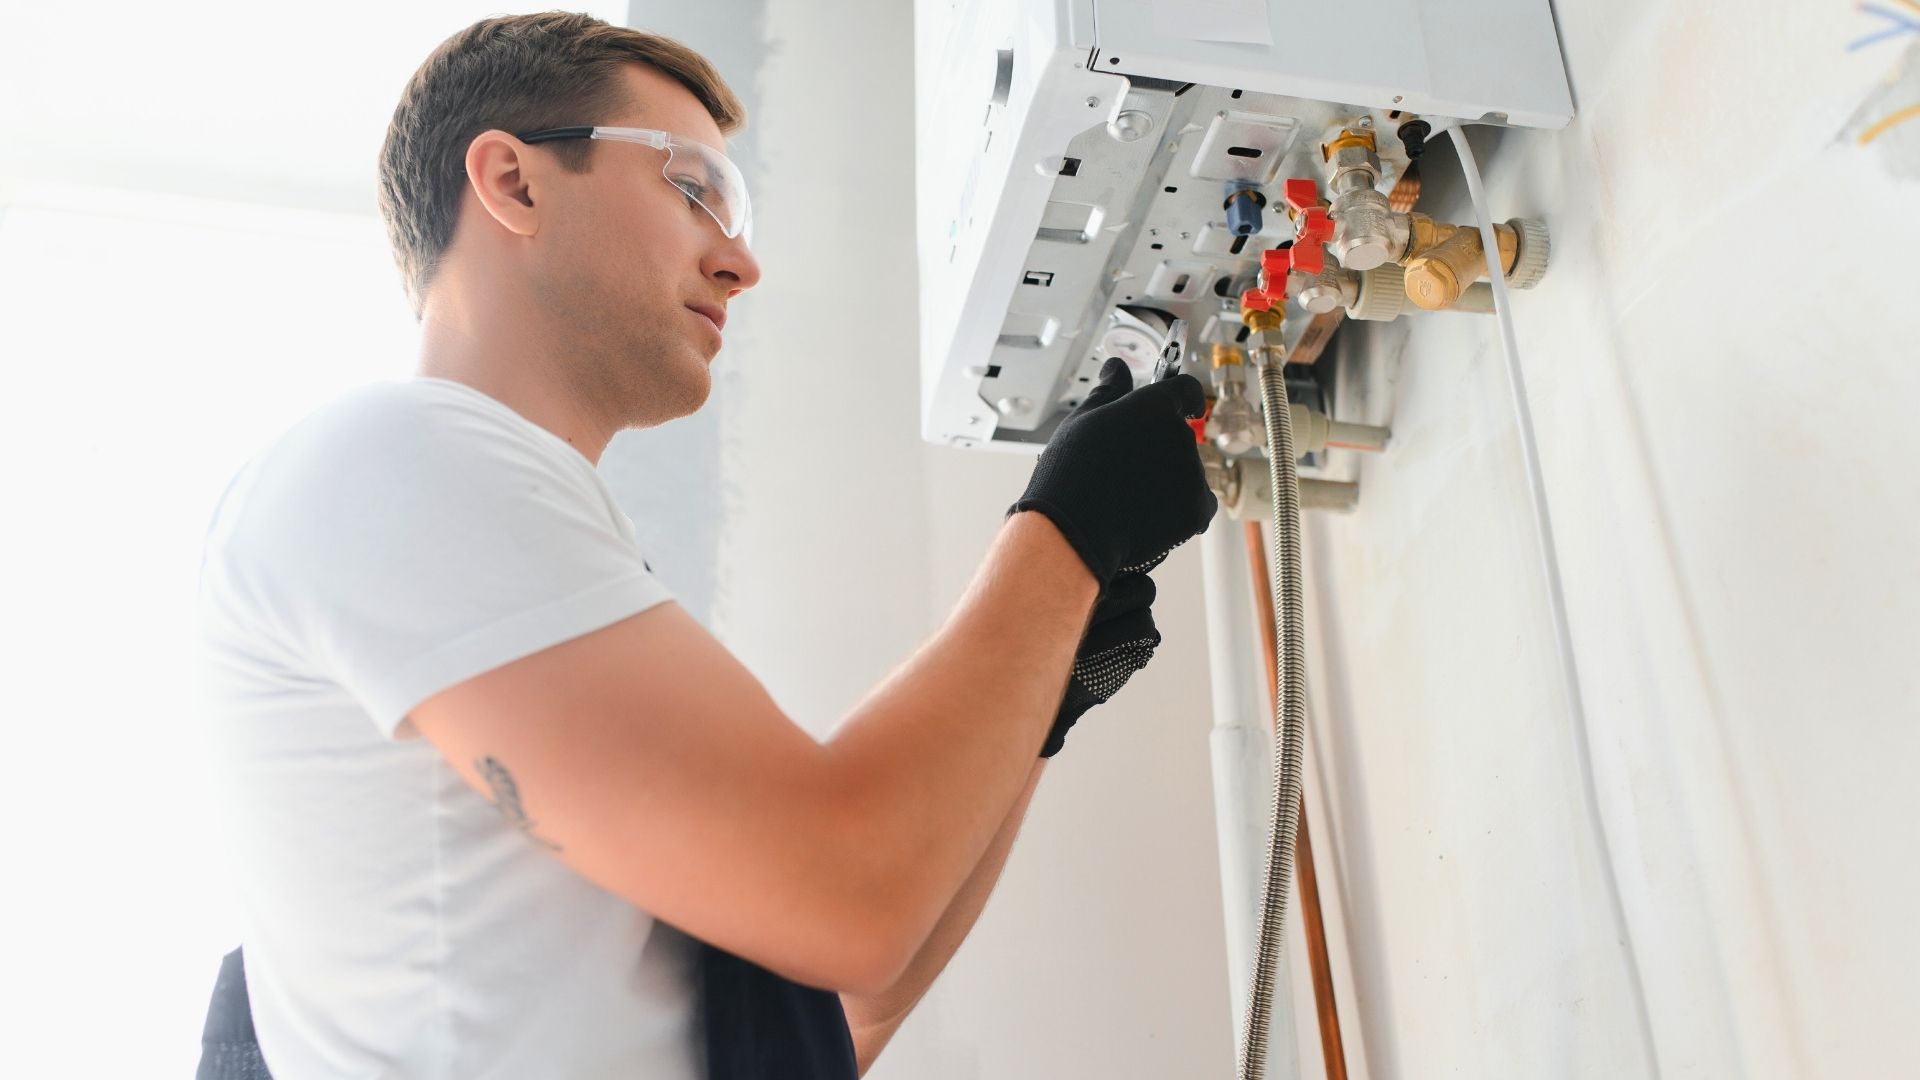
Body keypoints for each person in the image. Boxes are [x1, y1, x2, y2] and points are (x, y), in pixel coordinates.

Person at [194, 11, 1215, 1079]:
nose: (741, 262)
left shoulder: (514, 545)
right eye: (695, 190)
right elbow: (847, 901)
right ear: (514, 183)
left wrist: (1043, 689)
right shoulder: (396, 461)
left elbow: (845, 996)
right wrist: (1068, 529)